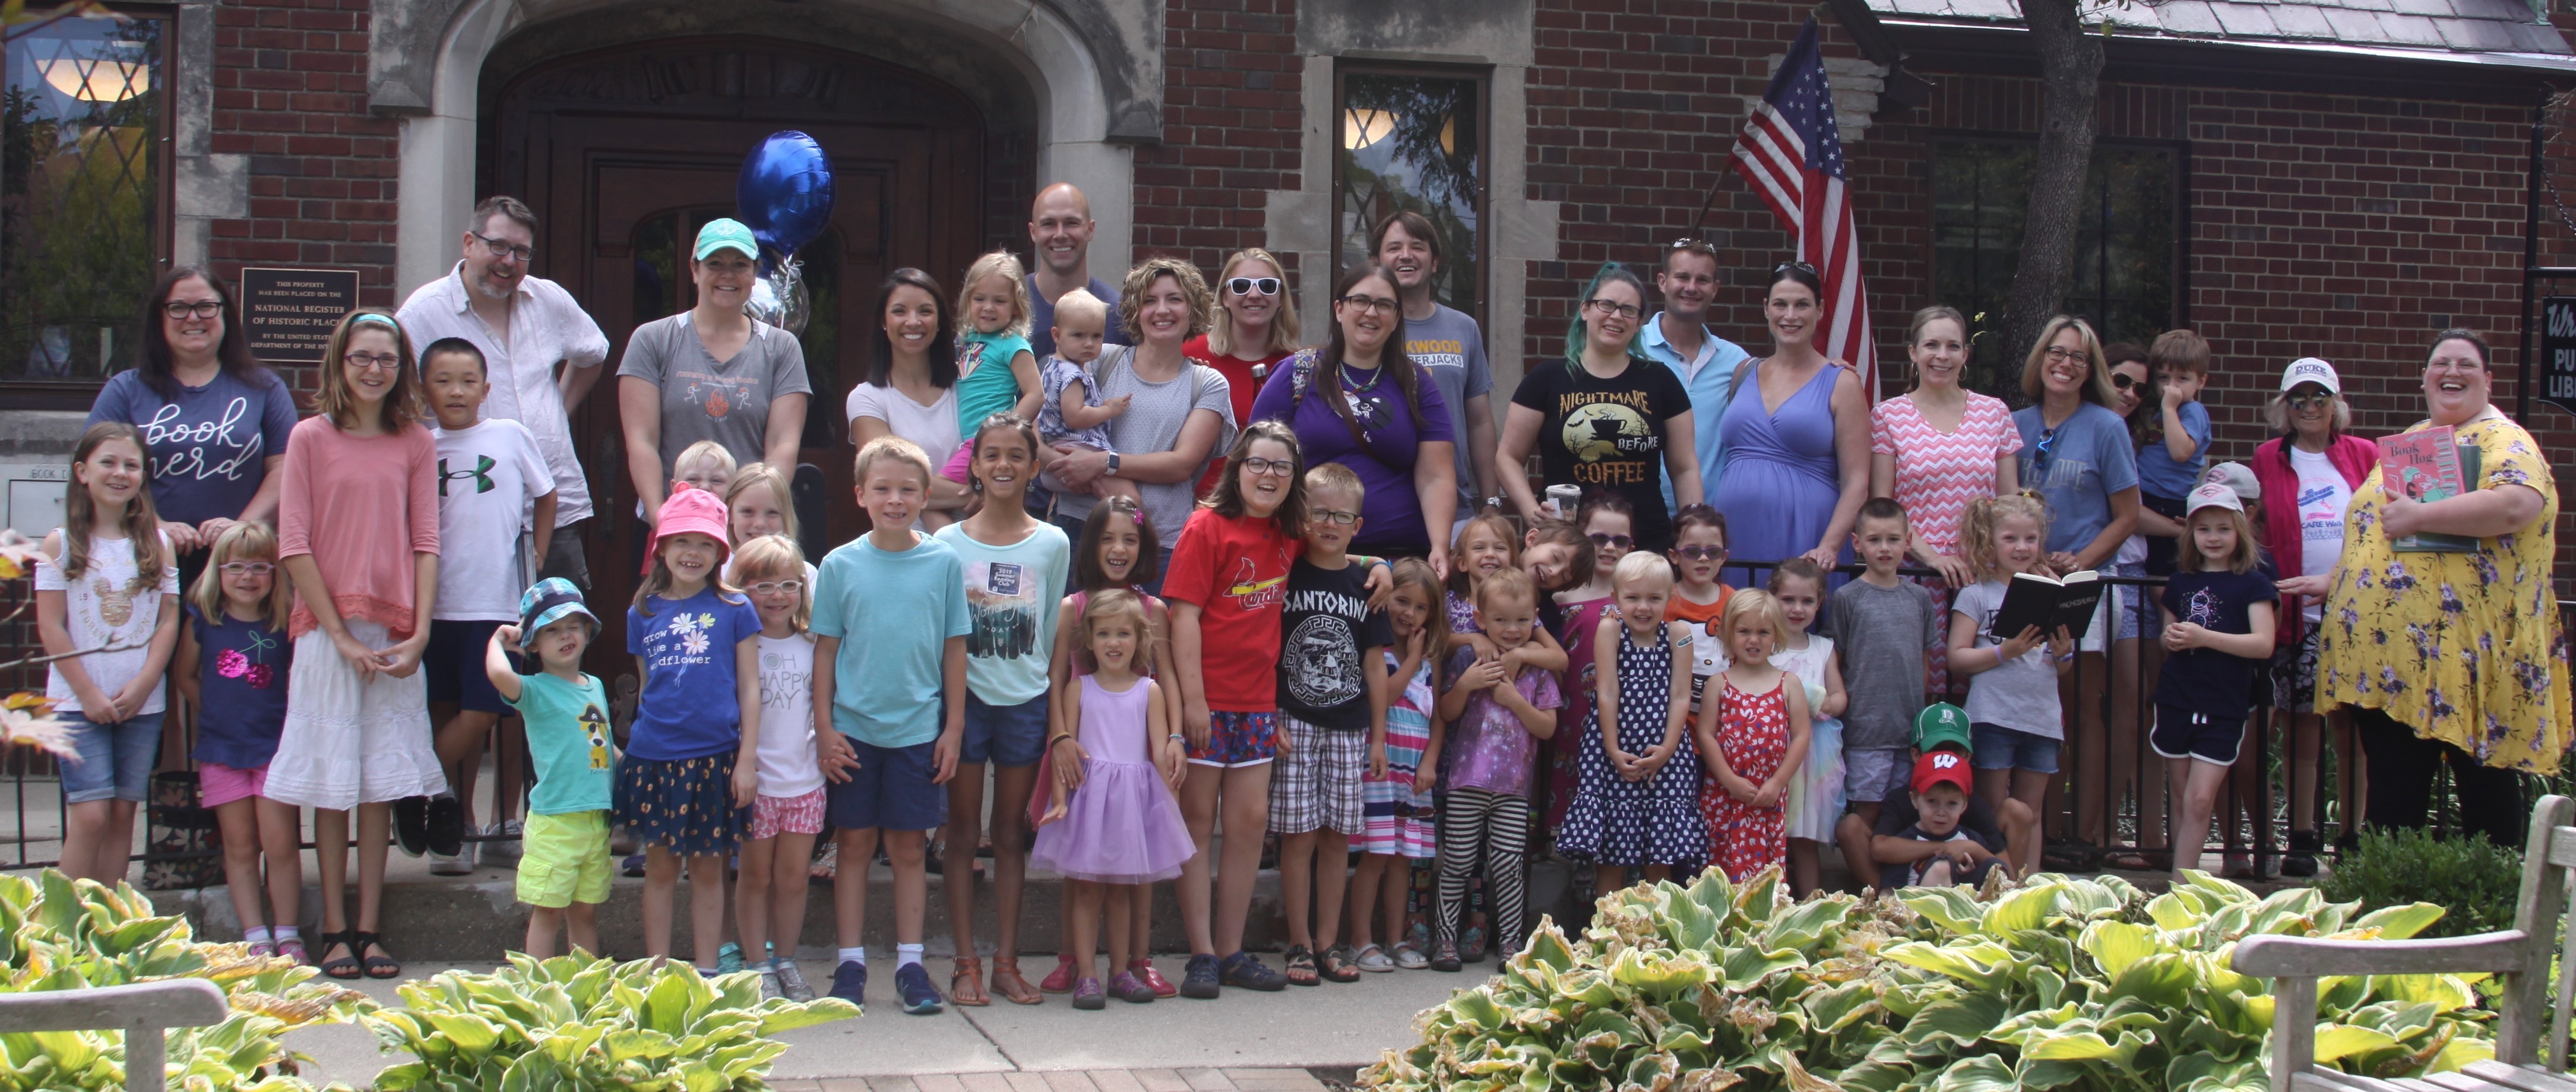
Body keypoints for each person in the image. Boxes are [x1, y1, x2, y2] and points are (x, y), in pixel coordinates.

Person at [2317, 329, 2565, 849]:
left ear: (2488, 379)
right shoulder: (2416, 440)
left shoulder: (2505, 440)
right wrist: (2344, 580)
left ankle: (2490, 912)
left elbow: (2519, 504)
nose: (2451, 371)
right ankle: (2394, 912)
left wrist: (2423, 514)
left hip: (2470, 659)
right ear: (2425, 376)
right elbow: (2381, 530)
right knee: (2393, 796)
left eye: (2466, 364)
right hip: (2396, 663)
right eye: (2440, 363)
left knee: (2487, 795)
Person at [267, 311, 445, 980]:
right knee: (333, 787)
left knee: (379, 788)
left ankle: (370, 927)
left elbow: (426, 541)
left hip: (395, 634)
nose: (375, 370)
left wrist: (421, 632)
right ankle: (333, 927)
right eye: (362, 357)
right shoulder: (310, 438)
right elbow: (294, 544)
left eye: (389, 359)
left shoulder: (414, 442)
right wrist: (338, 633)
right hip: (327, 634)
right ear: (339, 364)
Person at [813, 436, 971, 1015]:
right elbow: (826, 652)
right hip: (854, 734)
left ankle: (910, 965)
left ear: (926, 495)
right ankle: (850, 964)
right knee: (852, 846)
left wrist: (952, 728)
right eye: (882, 488)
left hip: (916, 733)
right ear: (861, 495)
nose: (895, 499)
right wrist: (825, 729)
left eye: (908, 489)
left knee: (908, 848)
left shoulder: (942, 563)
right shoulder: (839, 565)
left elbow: (956, 649)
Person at [395, 195, 610, 588]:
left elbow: (593, 351)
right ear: (468, 243)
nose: (509, 261)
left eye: (521, 252)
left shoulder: (548, 300)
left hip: (552, 503)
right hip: (466, 510)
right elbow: (399, 400)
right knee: (478, 632)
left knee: (559, 637)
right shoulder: (422, 313)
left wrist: (559, 409)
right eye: (498, 246)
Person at [933, 414, 1072, 1008]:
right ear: (976, 465)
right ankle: (965, 964)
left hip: (1024, 702)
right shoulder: (946, 545)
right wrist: (949, 715)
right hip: (966, 706)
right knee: (962, 835)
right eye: (992, 455)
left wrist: (1055, 717)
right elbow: (943, 636)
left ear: (1034, 467)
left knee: (1012, 835)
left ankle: (1007, 963)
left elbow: (1050, 635)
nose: (1004, 466)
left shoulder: (1053, 542)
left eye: (1016, 456)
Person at [1163, 422, 1306, 995]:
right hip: (1208, 703)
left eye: (1281, 466)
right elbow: (1184, 616)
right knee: (1197, 822)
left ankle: (1231, 950)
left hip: (1256, 706)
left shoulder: (1287, 533)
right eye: (1258, 464)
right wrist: (1193, 702)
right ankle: (1200, 951)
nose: (1268, 475)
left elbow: (1339, 549)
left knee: (1248, 824)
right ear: (1237, 467)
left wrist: (1381, 566)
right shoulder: (1207, 527)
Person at [419, 337, 556, 874]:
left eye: (468, 380)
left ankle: (415, 786)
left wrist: (539, 550)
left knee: (486, 711)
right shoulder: (418, 446)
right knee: (447, 709)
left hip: (494, 603)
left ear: (486, 388)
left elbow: (547, 494)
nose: (456, 391)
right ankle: (460, 828)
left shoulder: (509, 435)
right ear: (425, 388)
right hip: (435, 604)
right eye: (443, 380)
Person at [1040, 498, 1186, 998]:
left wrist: (1174, 738)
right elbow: (1058, 677)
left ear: (1144, 545)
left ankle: (1134, 962)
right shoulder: (1073, 607)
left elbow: (1166, 678)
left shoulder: (1154, 609)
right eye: (1107, 538)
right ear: (1091, 544)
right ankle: (1074, 962)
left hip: (1136, 757)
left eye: (1129, 538)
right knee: (1078, 863)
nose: (1119, 549)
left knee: (1136, 866)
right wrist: (1060, 737)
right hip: (1082, 749)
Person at [2011, 316, 2140, 862]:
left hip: (2085, 582)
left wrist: (2081, 560)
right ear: (2040, 360)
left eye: (2078, 358)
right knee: (2041, 705)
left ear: (2092, 371)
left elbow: (2127, 515)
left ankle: (2083, 834)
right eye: (2056, 354)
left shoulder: (2106, 426)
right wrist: (2035, 559)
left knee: (2083, 706)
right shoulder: (2012, 423)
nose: (2065, 365)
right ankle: (2046, 828)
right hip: (2028, 580)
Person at [620, 487, 761, 973]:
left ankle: (706, 971)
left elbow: (749, 687)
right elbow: (647, 686)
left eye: (704, 542)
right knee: (659, 867)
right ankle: (656, 970)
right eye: (680, 541)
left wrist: (746, 759)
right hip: (656, 756)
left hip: (715, 757)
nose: (691, 553)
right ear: (660, 546)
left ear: (721, 551)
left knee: (707, 868)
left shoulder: (737, 608)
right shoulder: (643, 612)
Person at [89, 267, 299, 590]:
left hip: (239, 567)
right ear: (160, 318)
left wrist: (239, 529)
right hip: (145, 559)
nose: (193, 318)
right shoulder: (125, 390)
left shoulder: (265, 388)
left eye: (205, 306)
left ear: (224, 313)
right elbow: (99, 472)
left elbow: (285, 468)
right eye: (178, 308)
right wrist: (154, 527)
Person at [38, 422, 182, 885]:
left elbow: (167, 619)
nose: (120, 473)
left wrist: (144, 683)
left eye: (131, 464)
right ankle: (59, 929)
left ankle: (108, 924)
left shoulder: (159, 545)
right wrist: (88, 694)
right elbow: (51, 624)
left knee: (123, 814)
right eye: (109, 462)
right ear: (82, 471)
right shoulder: (61, 544)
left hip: (141, 703)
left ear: (143, 475)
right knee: (92, 815)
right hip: (78, 704)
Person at [1268, 463, 1394, 985]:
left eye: (1341, 516)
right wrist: (1270, 711)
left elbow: (1373, 666)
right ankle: (1298, 942)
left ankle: (1329, 941)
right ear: (1302, 514)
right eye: (1318, 511)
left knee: (1338, 836)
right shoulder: (1285, 571)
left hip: (1348, 727)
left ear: (1357, 526)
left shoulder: (1365, 584)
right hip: (1294, 721)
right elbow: (1267, 649)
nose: (1328, 523)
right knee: (1297, 836)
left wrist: (1379, 736)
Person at [2250, 357, 2375, 875]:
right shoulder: (2266, 458)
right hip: (2296, 613)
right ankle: (2301, 836)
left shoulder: (2364, 455)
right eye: (2298, 399)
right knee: (2301, 723)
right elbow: (2252, 527)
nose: (2309, 407)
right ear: (2284, 406)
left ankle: (2353, 835)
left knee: (2355, 725)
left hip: (2357, 611)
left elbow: (2383, 525)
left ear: (2336, 405)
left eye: (2318, 398)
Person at [1252, 262, 1458, 569]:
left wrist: (1440, 546)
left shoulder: (1416, 384)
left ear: (1397, 317)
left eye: (1384, 305)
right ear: (1339, 309)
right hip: (1310, 558)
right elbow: (1255, 461)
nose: (1371, 313)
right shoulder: (1298, 372)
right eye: (1360, 301)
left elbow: (1436, 477)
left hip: (1399, 557)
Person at [1046, 258, 1238, 578]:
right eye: (1150, 300)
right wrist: (1064, 466)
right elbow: (1043, 425)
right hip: (1082, 529)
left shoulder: (1207, 383)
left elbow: (1181, 465)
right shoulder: (1097, 360)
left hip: (1158, 542)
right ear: (1136, 310)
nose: (1161, 310)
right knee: (1075, 628)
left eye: (1174, 299)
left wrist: (1104, 463)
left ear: (1193, 309)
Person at [620, 218, 812, 531]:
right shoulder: (653, 339)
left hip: (748, 529)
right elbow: (642, 441)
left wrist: (756, 519)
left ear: (754, 274)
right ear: (695, 270)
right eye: (715, 263)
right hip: (673, 523)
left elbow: (783, 444)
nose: (728, 274)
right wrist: (660, 519)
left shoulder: (781, 347)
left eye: (739, 264)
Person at [1868, 306, 2019, 695]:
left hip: (1982, 578)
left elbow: (2010, 504)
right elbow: (1882, 506)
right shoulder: (1888, 416)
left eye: (1953, 346)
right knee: (1920, 688)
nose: (1942, 355)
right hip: (1915, 577)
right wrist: (1933, 557)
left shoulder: (1995, 413)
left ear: (1966, 355)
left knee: (1983, 688)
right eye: (1931, 345)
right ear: (1913, 353)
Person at [1499, 263, 1699, 552]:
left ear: (1640, 321)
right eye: (1606, 305)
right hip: (1566, 542)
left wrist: (1692, 528)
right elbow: (1507, 456)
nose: (1616, 316)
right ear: (1585, 310)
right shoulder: (1546, 379)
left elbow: (1684, 468)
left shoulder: (1661, 380)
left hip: (1643, 542)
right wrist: (1533, 512)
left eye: (1629, 310)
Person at [175, 522, 300, 962]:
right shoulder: (204, 621)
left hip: (275, 749)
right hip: (221, 750)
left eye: (260, 567)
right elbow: (185, 674)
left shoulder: (284, 622)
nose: (247, 576)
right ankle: (255, 935)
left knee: (281, 843)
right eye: (236, 566)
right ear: (218, 571)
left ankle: (288, 932)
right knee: (240, 845)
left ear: (274, 573)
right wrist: (213, 710)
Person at [1431, 567, 1562, 971]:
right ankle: (1445, 940)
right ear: (1481, 619)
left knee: (1508, 864)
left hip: (1513, 787)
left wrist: (1514, 700)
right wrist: (1467, 684)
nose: (1512, 629)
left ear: (1535, 617)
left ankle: (1510, 942)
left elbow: (1547, 726)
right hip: (1466, 779)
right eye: (1501, 620)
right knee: (1456, 859)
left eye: (1523, 620)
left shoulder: (1538, 669)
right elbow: (1447, 711)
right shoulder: (1471, 656)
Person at [1711, 262, 1871, 577]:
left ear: (1821, 310)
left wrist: (1829, 546)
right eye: (1781, 304)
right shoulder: (1743, 373)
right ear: (1766, 309)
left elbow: (1857, 482)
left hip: (1808, 537)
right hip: (1737, 533)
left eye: (1802, 305)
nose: (1790, 315)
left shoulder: (1842, 382)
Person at [1558, 551, 1704, 890]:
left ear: (1670, 598)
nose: (1643, 608)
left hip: (1665, 753)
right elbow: (1606, 691)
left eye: (1654, 599)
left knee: (1660, 856)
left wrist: (1668, 749)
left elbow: (1682, 695)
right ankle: (1608, 931)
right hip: (1613, 749)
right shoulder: (1611, 630)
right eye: (1633, 598)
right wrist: (1612, 749)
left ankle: (1656, 933)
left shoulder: (1679, 634)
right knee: (1612, 855)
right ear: (1616, 597)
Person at [2153, 482, 2277, 881]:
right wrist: (2173, 637)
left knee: (2201, 796)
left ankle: (2183, 887)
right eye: (2204, 528)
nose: (2214, 537)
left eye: (2223, 528)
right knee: (2181, 793)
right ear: (2192, 534)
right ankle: (2181, 882)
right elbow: (2168, 635)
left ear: (2239, 530)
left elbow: (2263, 643)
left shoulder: (2254, 582)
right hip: (2177, 695)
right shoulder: (2180, 581)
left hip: (2224, 701)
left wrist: (2204, 637)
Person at [1949, 494, 2076, 876]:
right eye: (2011, 539)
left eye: (2030, 539)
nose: (2022, 548)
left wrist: (2064, 653)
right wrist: (2006, 652)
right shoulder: (1978, 594)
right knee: (1993, 811)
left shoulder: (2050, 593)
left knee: (2031, 812)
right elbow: (1957, 658)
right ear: (1990, 540)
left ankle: (2029, 884)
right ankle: (1993, 882)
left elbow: (2060, 667)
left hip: (2041, 717)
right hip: (1993, 715)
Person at [486, 579, 613, 960]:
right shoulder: (534, 689)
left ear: (588, 631)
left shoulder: (596, 686)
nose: (565, 636)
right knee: (549, 911)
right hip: (556, 821)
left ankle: (586, 988)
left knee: (585, 910)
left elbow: (603, 742)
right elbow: (498, 676)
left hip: (595, 820)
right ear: (534, 646)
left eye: (573, 626)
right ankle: (538, 989)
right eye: (552, 631)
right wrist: (496, 642)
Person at [1827, 498, 1942, 888]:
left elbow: (1924, 660)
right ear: (1857, 543)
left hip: (1908, 730)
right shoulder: (1848, 598)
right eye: (1874, 539)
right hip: (1866, 731)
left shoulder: (1919, 598)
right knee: (1870, 813)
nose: (1884, 548)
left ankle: (1901, 886)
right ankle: (1870, 888)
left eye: (1894, 539)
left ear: (1908, 542)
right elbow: (1837, 660)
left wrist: (1921, 719)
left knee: (1905, 815)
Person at [729, 535, 822, 1001]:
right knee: (755, 876)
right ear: (740, 589)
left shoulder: (813, 642)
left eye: (789, 584)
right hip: (757, 784)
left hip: (806, 782)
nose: (778, 596)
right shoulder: (741, 645)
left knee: (793, 877)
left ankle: (785, 958)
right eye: (763, 585)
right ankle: (756, 962)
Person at [1347, 558, 1444, 973]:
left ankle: (1397, 937)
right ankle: (1360, 941)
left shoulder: (1431, 658)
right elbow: (1382, 696)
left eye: (1421, 607)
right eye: (1403, 601)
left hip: (1414, 774)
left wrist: (1431, 762)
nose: (1410, 613)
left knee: (1403, 859)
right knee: (1376, 854)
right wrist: (1412, 658)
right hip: (1381, 769)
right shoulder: (1380, 648)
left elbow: (1439, 717)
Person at [1374, 212, 1500, 531]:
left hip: (1454, 510)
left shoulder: (1464, 328)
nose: (1406, 255)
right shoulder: (1363, 328)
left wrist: (1490, 501)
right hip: (1379, 507)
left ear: (1434, 262)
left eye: (1417, 247)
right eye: (1394, 248)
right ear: (1378, 260)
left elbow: (1480, 421)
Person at [1697, 590, 1811, 881]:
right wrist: (1730, 780)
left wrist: (1777, 782)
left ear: (1776, 635)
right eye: (1744, 631)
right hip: (1726, 795)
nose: (1754, 640)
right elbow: (1706, 735)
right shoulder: (1718, 684)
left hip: (1767, 797)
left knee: (1765, 875)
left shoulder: (1789, 684)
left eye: (1763, 632)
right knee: (1722, 868)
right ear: (1729, 634)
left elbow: (1800, 737)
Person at [848, 268, 973, 529]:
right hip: (903, 549)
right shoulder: (866, 399)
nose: (913, 321)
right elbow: (892, 482)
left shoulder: (968, 385)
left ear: (939, 322)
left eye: (925, 311)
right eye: (900, 311)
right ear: (883, 320)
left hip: (976, 546)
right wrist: (978, 492)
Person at [1864, 704, 2034, 887]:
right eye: (1937, 749)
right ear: (1916, 754)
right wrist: (1945, 848)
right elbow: (1880, 848)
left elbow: (2003, 868)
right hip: (1905, 882)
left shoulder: (1974, 803)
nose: (1946, 757)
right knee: (1850, 827)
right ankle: (1878, 902)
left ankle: (2006, 899)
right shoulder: (1900, 799)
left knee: (2018, 811)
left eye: (1956, 751)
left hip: (1963, 884)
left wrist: (1972, 848)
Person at [1644, 239, 1750, 513]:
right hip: (1638, 516)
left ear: (1715, 289)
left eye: (1702, 280)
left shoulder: (1736, 361)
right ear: (1663, 281)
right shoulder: (1631, 349)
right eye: (1682, 277)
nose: (1691, 287)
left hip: (1708, 521)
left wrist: (1827, 371)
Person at [1185, 248, 1302, 496]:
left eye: (1268, 286)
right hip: (1197, 507)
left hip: (1270, 508)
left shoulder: (1299, 368)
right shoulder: (1189, 355)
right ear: (1225, 297)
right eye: (1241, 286)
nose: (1255, 294)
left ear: (1281, 298)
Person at [1768, 559, 1846, 897]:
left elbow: (1840, 695)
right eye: (1788, 600)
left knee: (1804, 833)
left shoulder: (1823, 648)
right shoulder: (1764, 645)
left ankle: (1811, 902)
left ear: (1820, 603)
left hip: (1813, 755)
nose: (1798, 609)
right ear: (1772, 599)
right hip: (1773, 748)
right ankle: (1770, 902)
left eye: (1807, 601)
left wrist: (1827, 703)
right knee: (1772, 831)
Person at [1034, 289, 1143, 504]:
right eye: (1078, 335)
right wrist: (1109, 411)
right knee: (1130, 498)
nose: (1089, 344)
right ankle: (1141, 530)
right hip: (1075, 450)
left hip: (1058, 450)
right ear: (1056, 335)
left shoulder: (1052, 366)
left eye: (1096, 336)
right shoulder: (1072, 374)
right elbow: (1075, 416)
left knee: (1108, 501)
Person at [2134, 330, 2213, 577]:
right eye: (2164, 378)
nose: (2172, 387)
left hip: (2168, 502)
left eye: (2182, 379)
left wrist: (2169, 409)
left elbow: (2181, 452)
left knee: (2163, 571)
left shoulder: (2193, 411)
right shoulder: (2159, 410)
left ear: (2200, 382)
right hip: (2144, 494)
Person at [1025, 183, 1132, 360]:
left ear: (1090, 230)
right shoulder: (1006, 305)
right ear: (1033, 232)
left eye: (1071, 223)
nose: (1060, 234)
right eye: (1049, 224)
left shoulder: (1117, 315)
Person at [1872, 750, 2004, 889]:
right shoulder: (1904, 844)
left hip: (1964, 908)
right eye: (1932, 801)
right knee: (1941, 868)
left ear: (1964, 805)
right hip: (1914, 908)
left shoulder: (1972, 839)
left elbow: (2004, 881)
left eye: (1952, 804)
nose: (1941, 812)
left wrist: (1973, 872)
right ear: (1915, 800)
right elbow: (1888, 895)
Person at [953, 250, 1045, 432]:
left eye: (1000, 301)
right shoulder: (966, 339)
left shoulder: (1013, 344)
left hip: (989, 442)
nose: (988, 308)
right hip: (962, 440)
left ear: (1017, 307)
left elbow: (1036, 394)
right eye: (979, 299)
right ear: (968, 300)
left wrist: (1007, 433)